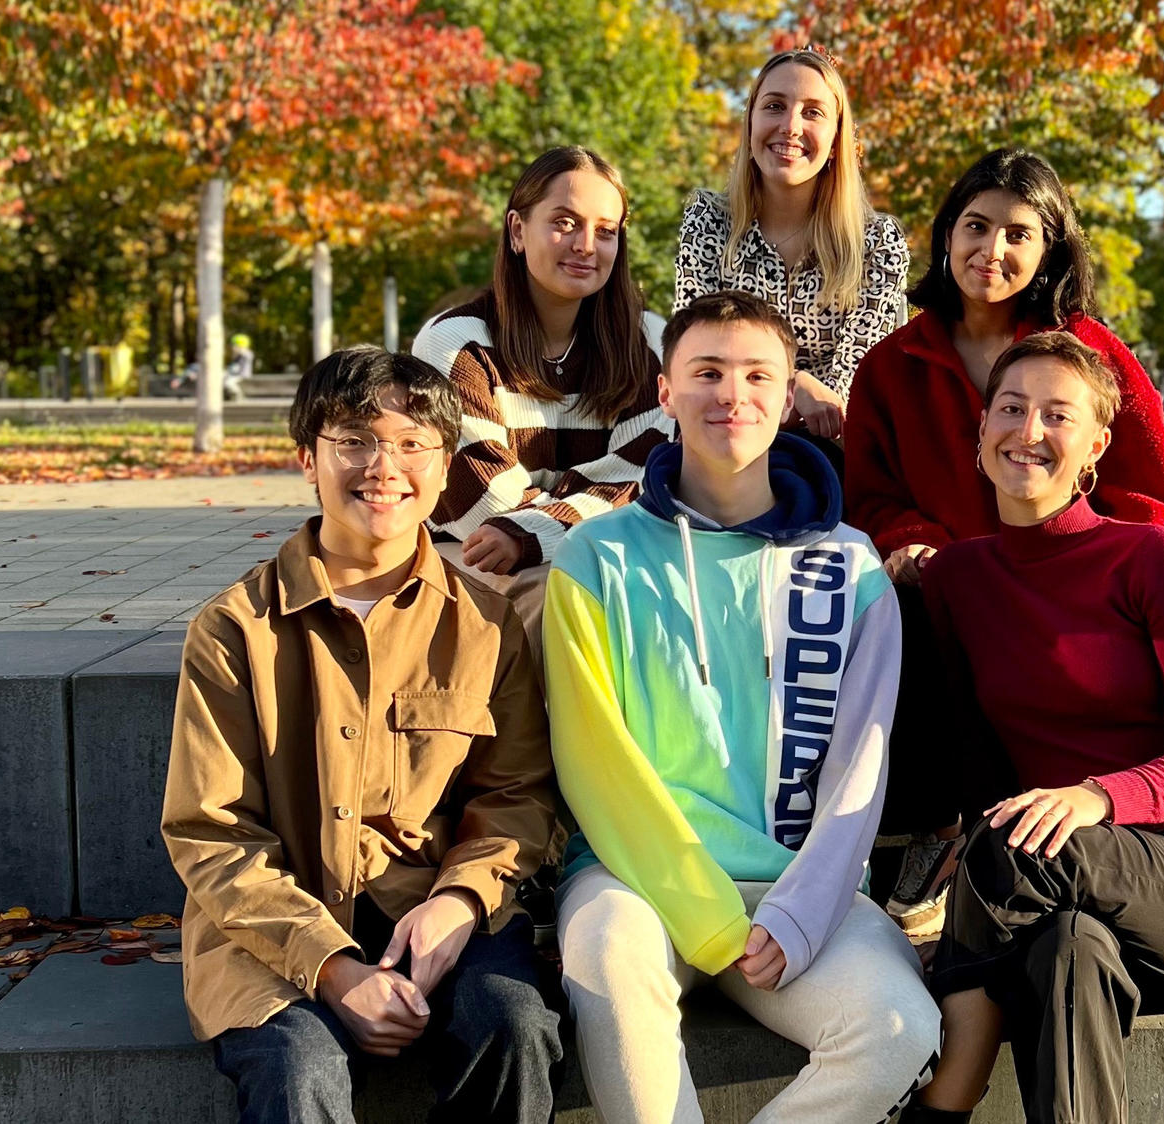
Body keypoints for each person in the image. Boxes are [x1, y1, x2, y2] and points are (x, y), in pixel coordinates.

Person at [546, 291, 940, 1124]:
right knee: (615, 979)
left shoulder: (849, 567)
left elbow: (860, 771)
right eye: (708, 372)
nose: (733, 395)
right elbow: (595, 762)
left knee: (898, 1030)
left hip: (801, 888)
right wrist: (706, 916)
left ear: (789, 390)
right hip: (634, 879)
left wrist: (800, 912)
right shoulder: (594, 557)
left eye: (758, 374)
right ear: (665, 393)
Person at [164, 348, 563, 1124]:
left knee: (513, 1027)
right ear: (308, 459)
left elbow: (517, 795)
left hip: (436, 908)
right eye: (355, 440)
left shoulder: (484, 622)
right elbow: (211, 834)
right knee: (297, 1064)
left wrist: (459, 901)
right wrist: (333, 968)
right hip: (276, 924)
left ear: (446, 470)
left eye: (413, 443)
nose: (384, 466)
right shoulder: (233, 630)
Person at [898, 332, 1164, 1124]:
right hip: (1053, 895)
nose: (1028, 431)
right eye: (1010, 407)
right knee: (1067, 952)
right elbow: (975, 765)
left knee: (1019, 842)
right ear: (981, 428)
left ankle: (949, 1096)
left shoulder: (1152, 560)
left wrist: (1094, 798)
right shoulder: (960, 579)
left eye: (1057, 415)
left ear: (1096, 445)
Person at [840, 148, 1164, 938]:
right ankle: (927, 837)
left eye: (1017, 234)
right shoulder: (892, 365)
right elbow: (868, 493)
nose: (990, 250)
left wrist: (1089, 566)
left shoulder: (1092, 355)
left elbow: (1157, 502)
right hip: (946, 588)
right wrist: (911, 540)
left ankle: (986, 848)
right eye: (974, 226)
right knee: (913, 603)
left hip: (1065, 589)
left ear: (1049, 251)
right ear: (945, 236)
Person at [413, 146, 671, 647]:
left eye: (605, 231)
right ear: (516, 231)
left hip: (601, 557)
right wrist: (544, 528)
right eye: (565, 222)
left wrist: (534, 531)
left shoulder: (648, 344)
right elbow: (482, 504)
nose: (585, 245)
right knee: (564, 595)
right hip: (469, 559)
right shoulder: (457, 342)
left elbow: (639, 483)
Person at [673, 47, 910, 453]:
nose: (790, 126)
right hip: (721, 434)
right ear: (750, 124)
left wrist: (790, 394)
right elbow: (695, 349)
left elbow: (851, 390)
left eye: (813, 112)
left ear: (837, 140)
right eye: (774, 106)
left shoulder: (877, 243)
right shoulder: (708, 220)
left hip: (830, 454)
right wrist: (793, 382)